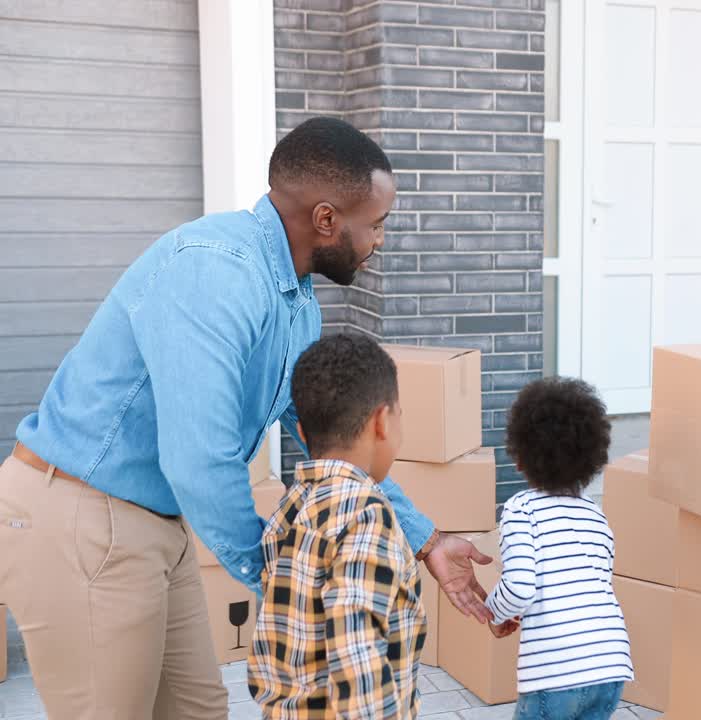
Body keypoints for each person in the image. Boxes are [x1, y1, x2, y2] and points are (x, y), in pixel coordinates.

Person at [0, 117, 493, 720]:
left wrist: (427, 540)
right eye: (377, 224)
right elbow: (198, 455)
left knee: (198, 710)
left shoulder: (294, 297)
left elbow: (334, 441)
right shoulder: (214, 271)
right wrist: (283, 582)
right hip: (83, 516)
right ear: (327, 219)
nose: (381, 241)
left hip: (160, 522)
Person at [248, 334, 426, 718]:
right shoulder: (365, 516)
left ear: (303, 433)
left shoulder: (291, 508)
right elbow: (356, 653)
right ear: (382, 421)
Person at [483, 378, 633, 720]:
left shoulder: (521, 509)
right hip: (610, 664)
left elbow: (520, 587)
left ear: (519, 459)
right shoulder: (596, 515)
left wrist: (494, 611)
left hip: (557, 670)